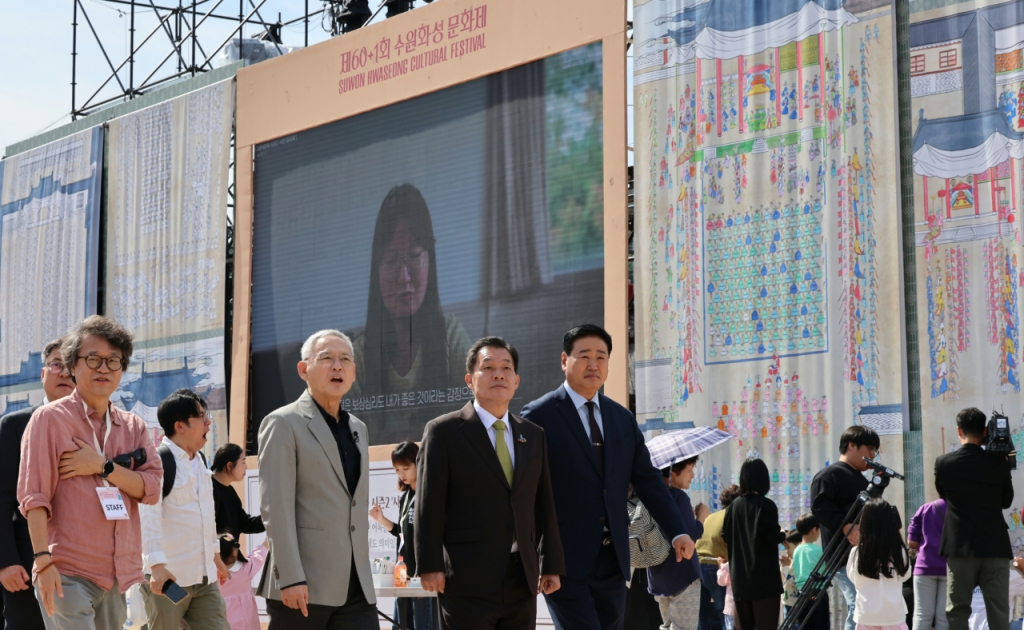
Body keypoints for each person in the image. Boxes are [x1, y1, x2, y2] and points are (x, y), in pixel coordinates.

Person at [520, 324, 693, 630]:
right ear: (564, 360)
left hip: (614, 559)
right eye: (584, 356)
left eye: (601, 357)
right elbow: (527, 492)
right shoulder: (539, 416)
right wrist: (538, 557)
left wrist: (678, 531)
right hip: (564, 562)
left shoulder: (621, 418)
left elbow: (648, 480)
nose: (593, 364)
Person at [17, 315, 163, 630]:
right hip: (66, 571)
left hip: (117, 574)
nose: (103, 368)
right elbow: (34, 497)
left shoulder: (133, 426)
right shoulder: (49, 420)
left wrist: (102, 466)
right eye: (93, 359)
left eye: (113, 361)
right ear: (73, 365)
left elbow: (152, 489)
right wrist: (43, 561)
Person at [415, 337, 564, 630]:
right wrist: (430, 565)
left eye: (506, 368)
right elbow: (429, 504)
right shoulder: (443, 431)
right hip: (466, 579)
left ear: (516, 381)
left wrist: (551, 565)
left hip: (522, 578)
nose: (499, 374)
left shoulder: (533, 434)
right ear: (469, 380)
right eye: (488, 367)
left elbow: (544, 503)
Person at [257, 329, 377, 630]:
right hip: (303, 586)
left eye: (345, 360)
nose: (337, 366)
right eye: (326, 358)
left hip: (356, 586)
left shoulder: (359, 428)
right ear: (303, 369)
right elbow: (276, 508)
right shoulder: (283, 423)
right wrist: (290, 577)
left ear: (354, 372)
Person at [349, 184, 472, 440]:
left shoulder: (450, 336)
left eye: (414, 255)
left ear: (430, 260)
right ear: (376, 269)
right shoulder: (357, 358)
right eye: (390, 260)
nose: (403, 276)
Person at [138, 389, 228, 630]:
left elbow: (207, 515)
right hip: (168, 580)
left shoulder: (201, 461)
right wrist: (156, 567)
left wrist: (215, 557)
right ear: (180, 426)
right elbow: (148, 518)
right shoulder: (157, 462)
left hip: (204, 578)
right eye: (201, 416)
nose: (208, 422)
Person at [0, 338, 73, 630]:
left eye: (71, 366)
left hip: (84, 567)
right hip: (25, 564)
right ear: (43, 374)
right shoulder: (15, 425)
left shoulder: (96, 429)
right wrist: (6, 562)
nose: (64, 372)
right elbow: (2, 499)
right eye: (57, 365)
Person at [935, 408, 1014, 630]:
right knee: (998, 610)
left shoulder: (944, 463)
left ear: (959, 430)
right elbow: (1006, 501)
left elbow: (943, 496)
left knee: (957, 610)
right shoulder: (999, 463)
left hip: (960, 545)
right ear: (986, 431)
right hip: (994, 545)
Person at [810, 425, 881, 630]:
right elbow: (819, 507)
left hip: (864, 555)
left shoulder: (860, 479)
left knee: (865, 606)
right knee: (857, 605)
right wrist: (846, 527)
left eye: (875, 450)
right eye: (870, 448)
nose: (873, 455)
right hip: (843, 557)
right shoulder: (829, 475)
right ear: (852, 445)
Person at [368, 441, 437, 630]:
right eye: (397, 469)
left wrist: (427, 571)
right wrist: (382, 520)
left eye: (406, 468)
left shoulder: (429, 494)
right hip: (404, 577)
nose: (401, 474)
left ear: (419, 463)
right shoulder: (406, 497)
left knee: (423, 625)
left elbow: (434, 535)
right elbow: (403, 533)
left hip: (422, 578)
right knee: (401, 625)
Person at [722, 458, 786, 630]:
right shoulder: (767, 506)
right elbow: (771, 536)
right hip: (764, 582)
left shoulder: (732, 508)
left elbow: (725, 536)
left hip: (740, 582)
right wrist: (783, 534)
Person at [648, 457, 707, 630]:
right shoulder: (678, 497)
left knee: (667, 626)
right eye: (689, 470)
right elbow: (691, 535)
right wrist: (701, 517)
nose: (693, 475)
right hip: (683, 575)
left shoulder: (651, 496)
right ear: (673, 471)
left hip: (658, 575)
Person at [846, 498, 911, 630]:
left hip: (865, 615)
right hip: (893, 615)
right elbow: (905, 575)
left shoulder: (857, 552)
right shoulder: (899, 551)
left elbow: (852, 577)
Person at [697, 484, 743, 630]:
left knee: (702, 619)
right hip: (716, 568)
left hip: (698, 566)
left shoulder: (711, 517)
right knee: (726, 616)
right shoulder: (733, 517)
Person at [211, 443, 264, 556]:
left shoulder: (230, 491)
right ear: (230, 466)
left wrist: (271, 518)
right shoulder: (210, 489)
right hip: (214, 561)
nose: (246, 467)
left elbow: (245, 523)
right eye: (243, 462)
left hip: (228, 562)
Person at [908, 498, 948, 630]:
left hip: (924, 567)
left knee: (922, 615)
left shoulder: (925, 508)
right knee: (944, 617)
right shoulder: (959, 509)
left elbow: (912, 542)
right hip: (949, 568)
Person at [218, 535, 268, 630]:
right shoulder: (246, 569)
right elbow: (259, 554)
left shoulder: (213, 575)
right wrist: (269, 538)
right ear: (234, 551)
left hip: (221, 621)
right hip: (247, 621)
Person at [791, 513, 829, 630]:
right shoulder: (819, 550)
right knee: (822, 626)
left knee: (805, 626)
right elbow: (825, 571)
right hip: (817, 592)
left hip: (801, 593)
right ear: (814, 530)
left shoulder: (796, 550)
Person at [781, 530, 802, 617]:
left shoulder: (800, 562)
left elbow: (794, 581)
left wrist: (786, 567)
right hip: (788, 602)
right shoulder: (791, 561)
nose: (786, 551)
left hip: (795, 604)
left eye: (788, 547)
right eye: (785, 548)